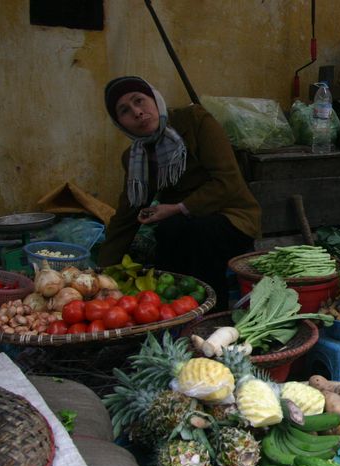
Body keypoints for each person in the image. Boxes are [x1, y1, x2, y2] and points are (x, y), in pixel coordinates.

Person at [98, 76, 261, 310]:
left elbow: (228, 182)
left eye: (140, 101)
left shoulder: (195, 122)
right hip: (181, 223)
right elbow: (126, 216)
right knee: (168, 232)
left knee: (197, 232)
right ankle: (171, 312)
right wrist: (101, 273)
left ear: (155, 100)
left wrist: (177, 208)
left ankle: (213, 313)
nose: (137, 112)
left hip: (233, 216)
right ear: (120, 123)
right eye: (125, 110)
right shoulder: (135, 158)